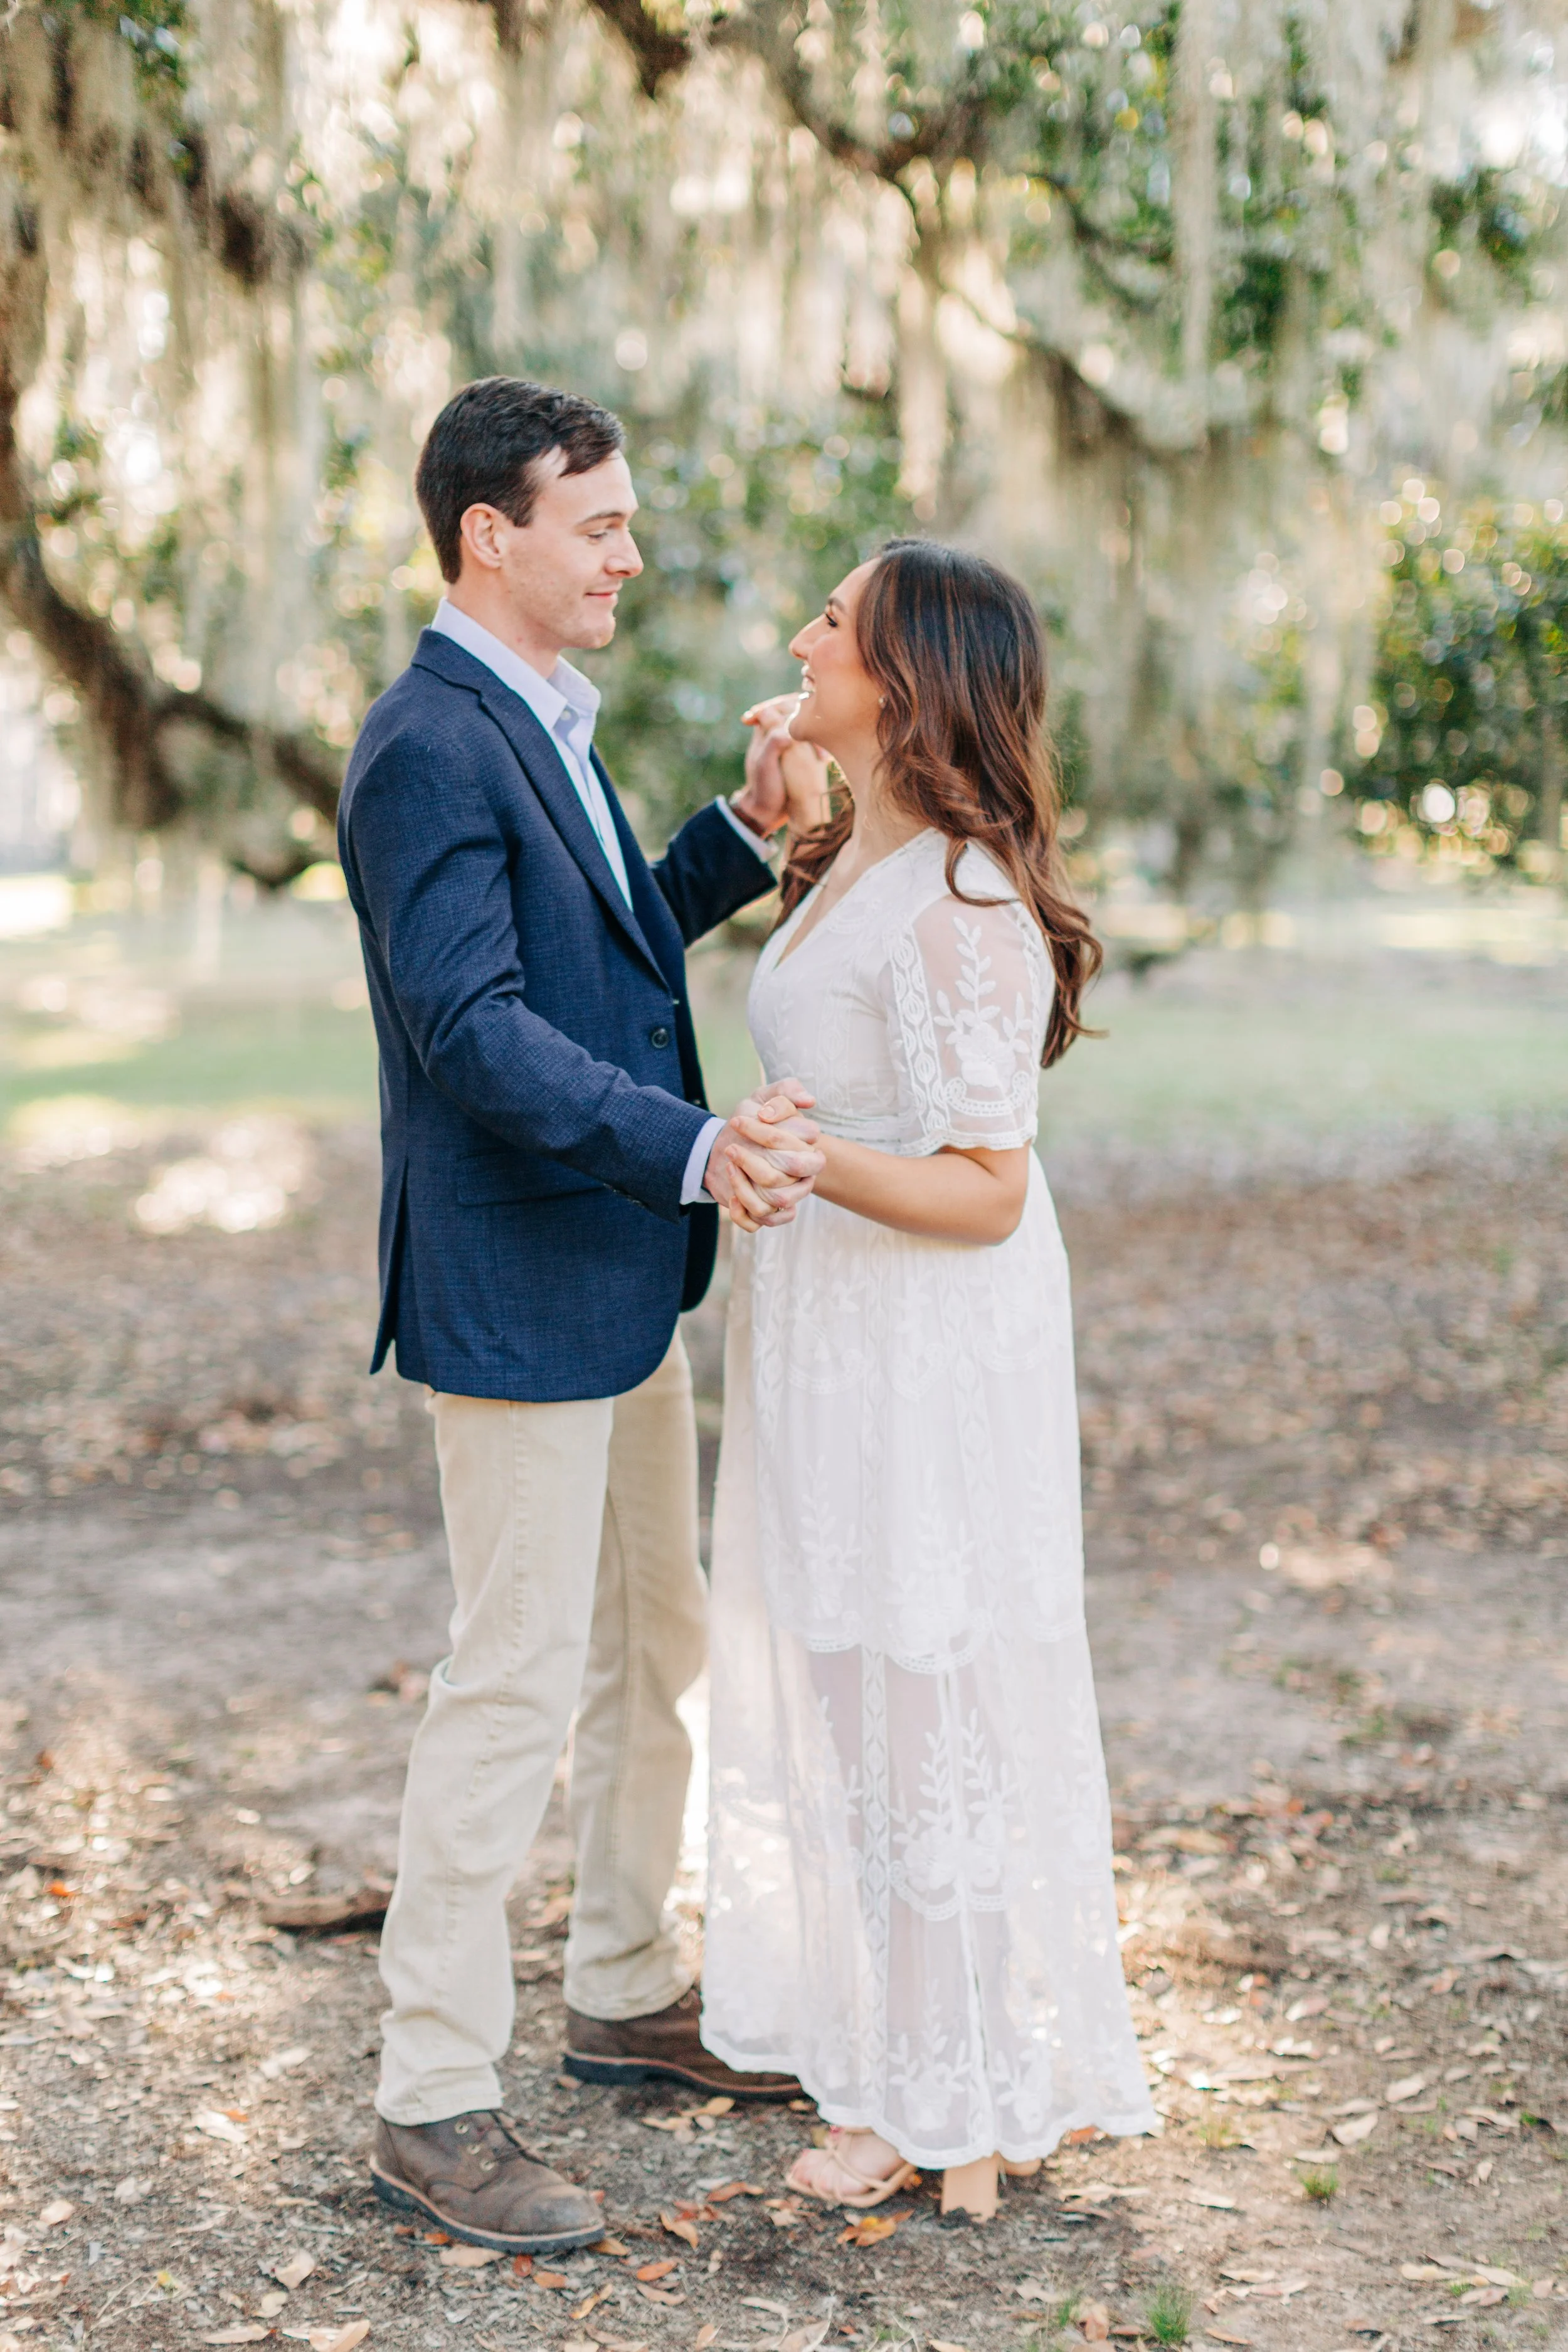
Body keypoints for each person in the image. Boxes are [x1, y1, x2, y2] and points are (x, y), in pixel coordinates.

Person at [336, 376, 825, 2256]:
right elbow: (474, 1034)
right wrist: (694, 1146)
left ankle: (624, 1988)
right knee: (513, 1677)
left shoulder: (537, 716)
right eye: (598, 521)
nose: (630, 549)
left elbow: (601, 951)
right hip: (524, 1277)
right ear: (492, 535)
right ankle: (433, 2099)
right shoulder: (426, 743)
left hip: (618, 1268)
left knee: (657, 1639)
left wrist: (727, 828)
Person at [700, 539, 1157, 2223]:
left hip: (922, 1346)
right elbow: (839, 1038)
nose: (802, 632)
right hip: (831, 1329)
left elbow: (982, 1186)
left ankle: (951, 2089)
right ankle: (914, 2056)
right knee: (853, 1690)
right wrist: (792, 801)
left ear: (907, 680)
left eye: (834, 619)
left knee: (921, 1699)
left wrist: (800, 1164)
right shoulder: (855, 864)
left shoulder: (967, 900)